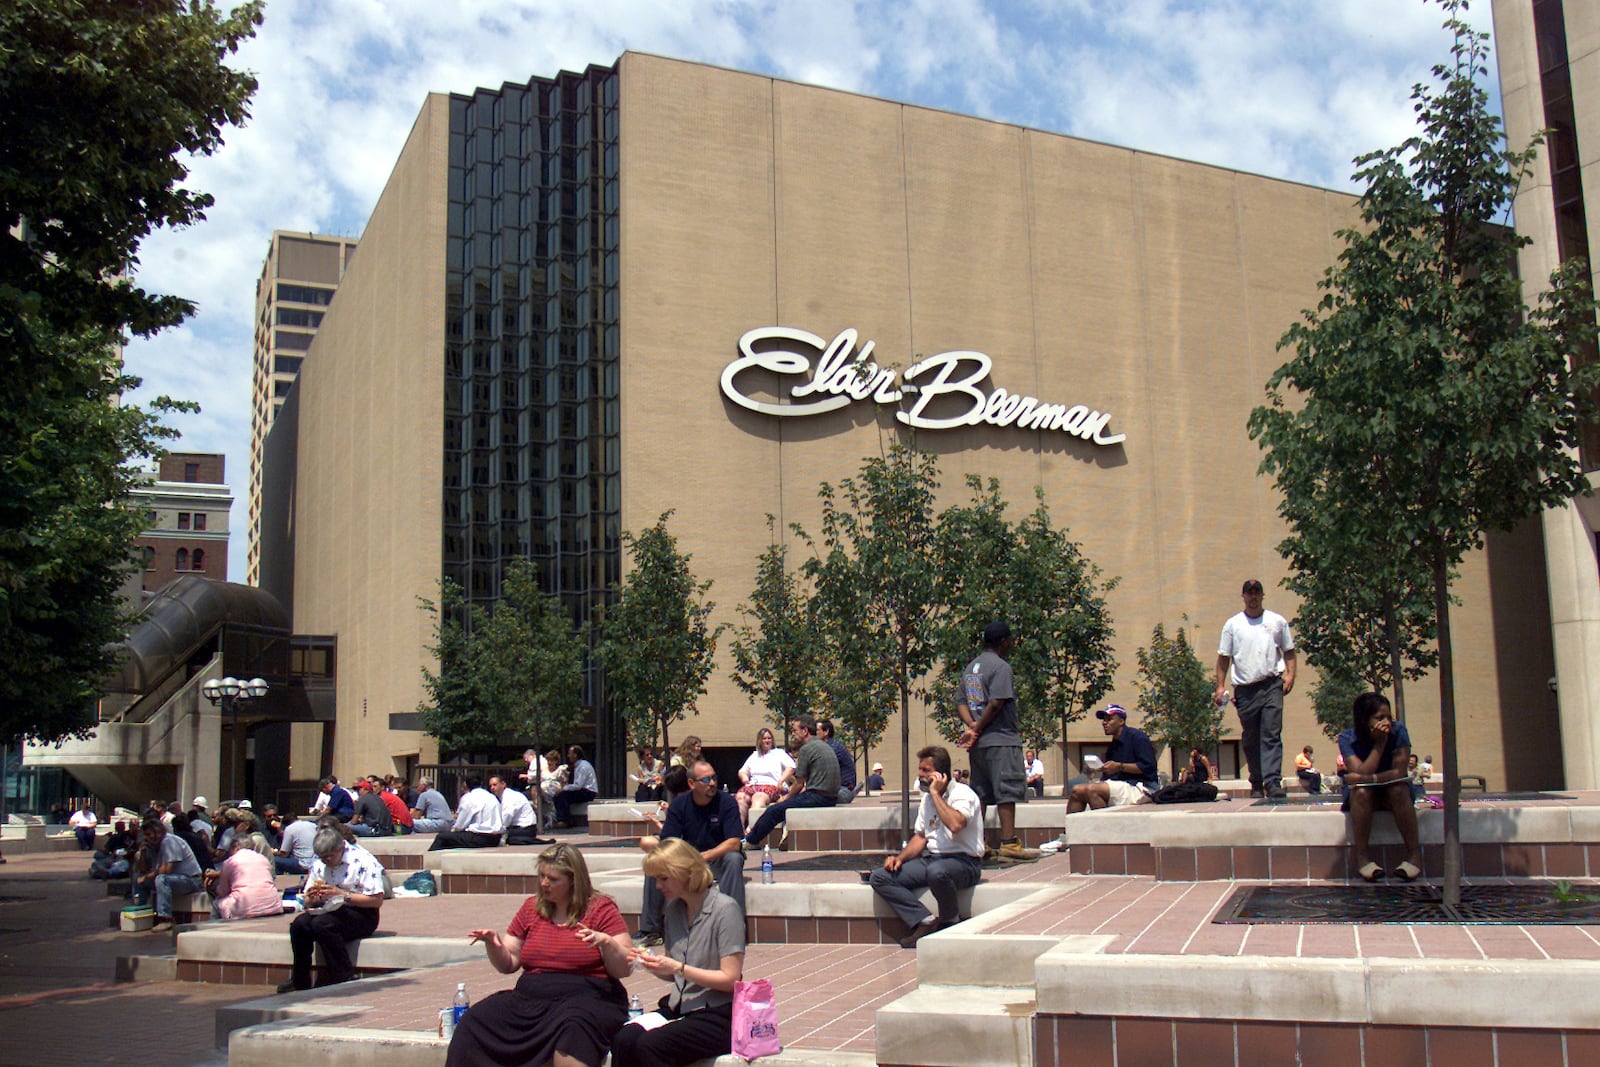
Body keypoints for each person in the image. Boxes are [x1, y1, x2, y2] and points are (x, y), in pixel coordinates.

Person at [445, 844, 633, 1067]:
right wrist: (494, 946)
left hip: (588, 998)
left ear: (573, 880)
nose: (544, 883)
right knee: (476, 1020)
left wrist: (607, 942)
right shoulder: (531, 908)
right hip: (531, 999)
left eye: (553, 879)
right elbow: (509, 963)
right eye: (542, 876)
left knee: (573, 1029)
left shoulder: (601, 908)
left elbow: (624, 968)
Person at [612, 838, 745, 1067]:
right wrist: (651, 963)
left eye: (664, 878)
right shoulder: (673, 910)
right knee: (624, 1038)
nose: (658, 886)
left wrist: (677, 968)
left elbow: (730, 980)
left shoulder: (725, 909)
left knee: (652, 1045)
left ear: (685, 872)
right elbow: (674, 973)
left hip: (718, 1012)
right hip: (680, 1007)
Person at [870, 745, 984, 949]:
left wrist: (936, 794)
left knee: (937, 871)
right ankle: (925, 921)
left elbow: (956, 825)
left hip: (965, 862)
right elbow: (921, 837)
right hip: (933, 860)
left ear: (941, 774)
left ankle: (950, 922)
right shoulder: (927, 799)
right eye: (920, 769)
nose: (920, 774)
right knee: (880, 877)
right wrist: (900, 859)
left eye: (926, 770)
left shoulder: (963, 794)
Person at [636, 759, 745, 949]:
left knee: (734, 859)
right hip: (688, 861)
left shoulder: (726, 802)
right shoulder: (679, 805)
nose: (712, 783)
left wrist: (703, 857)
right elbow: (668, 841)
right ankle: (651, 930)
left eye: (714, 778)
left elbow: (734, 843)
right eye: (705, 780)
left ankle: (733, 927)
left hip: (716, 860)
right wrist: (683, 860)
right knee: (656, 862)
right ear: (691, 784)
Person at [957, 621, 1036, 860]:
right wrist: (979, 727)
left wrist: (972, 727)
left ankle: (977, 843)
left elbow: (961, 702)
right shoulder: (1001, 667)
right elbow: (997, 702)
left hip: (979, 745)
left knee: (980, 793)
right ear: (1003, 641)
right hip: (1001, 739)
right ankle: (1009, 843)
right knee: (1007, 791)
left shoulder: (971, 668)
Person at [1215, 579, 1297, 800]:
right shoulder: (1233, 625)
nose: (1253, 597)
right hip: (1245, 689)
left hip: (1271, 684)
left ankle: (1272, 782)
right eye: (1249, 593)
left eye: (1256, 593)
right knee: (1251, 738)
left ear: (1262, 595)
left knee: (1271, 733)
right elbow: (1224, 658)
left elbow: (1289, 651)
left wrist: (1290, 675)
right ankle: (1257, 781)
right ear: (1243, 596)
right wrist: (1220, 686)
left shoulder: (1276, 621)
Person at [278, 827, 387, 992]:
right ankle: (300, 980)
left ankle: (343, 975)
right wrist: (313, 898)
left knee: (323, 925)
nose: (327, 861)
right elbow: (308, 900)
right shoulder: (319, 865)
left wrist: (343, 895)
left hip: (361, 911)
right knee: (300, 925)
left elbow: (376, 900)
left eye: (330, 856)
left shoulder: (363, 860)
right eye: (323, 858)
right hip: (329, 908)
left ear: (341, 848)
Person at [1337, 692, 1423, 883]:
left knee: (1398, 790)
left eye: (1388, 717)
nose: (1386, 722)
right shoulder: (1346, 738)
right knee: (1361, 792)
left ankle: (1414, 855)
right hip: (1365, 796)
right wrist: (1379, 744)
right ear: (1364, 719)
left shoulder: (1399, 731)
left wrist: (1362, 777)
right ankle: (1362, 858)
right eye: (1379, 718)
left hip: (1391, 791)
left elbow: (1399, 772)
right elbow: (1359, 771)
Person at [744, 715, 838, 849]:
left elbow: (799, 784)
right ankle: (779, 835)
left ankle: (750, 841)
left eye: (794, 730)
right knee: (786, 806)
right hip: (830, 797)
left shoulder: (807, 749)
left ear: (805, 731)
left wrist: (785, 798)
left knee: (774, 810)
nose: (793, 734)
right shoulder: (823, 745)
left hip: (819, 797)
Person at [1066, 705, 1160, 814]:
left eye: (1109, 719)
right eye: (1104, 720)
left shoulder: (1138, 738)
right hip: (1122, 784)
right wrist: (1104, 769)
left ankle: (1103, 829)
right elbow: (1111, 774)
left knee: (1092, 790)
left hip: (1142, 787)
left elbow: (1148, 767)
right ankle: (1071, 830)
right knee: (1077, 790)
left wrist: (1119, 766)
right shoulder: (1113, 745)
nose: (1104, 723)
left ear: (1121, 721)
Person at [134, 818, 203, 931]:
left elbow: (166, 869)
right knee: (138, 878)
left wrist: (146, 877)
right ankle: (140, 912)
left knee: (161, 879)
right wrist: (143, 852)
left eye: (148, 834)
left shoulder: (169, 841)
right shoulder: (153, 846)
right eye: (144, 835)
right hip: (172, 880)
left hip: (190, 880)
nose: (146, 837)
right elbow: (143, 869)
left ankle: (165, 919)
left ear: (158, 832)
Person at [207, 833, 283, 920]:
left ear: (235, 847)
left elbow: (223, 891)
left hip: (245, 908)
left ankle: (212, 930)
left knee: (217, 904)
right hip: (273, 905)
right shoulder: (263, 859)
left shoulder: (230, 862)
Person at [734, 726, 794, 830]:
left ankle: (752, 830)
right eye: (764, 738)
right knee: (740, 797)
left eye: (769, 738)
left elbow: (791, 767)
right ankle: (739, 831)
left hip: (771, 786)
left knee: (758, 797)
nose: (767, 741)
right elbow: (742, 771)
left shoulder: (778, 753)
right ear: (759, 741)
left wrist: (781, 780)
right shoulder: (754, 755)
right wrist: (744, 778)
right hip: (753, 785)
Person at [429, 775, 505, 850]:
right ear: (481, 783)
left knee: (442, 837)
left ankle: (428, 858)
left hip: (480, 838)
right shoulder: (492, 797)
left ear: (467, 785)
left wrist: (453, 831)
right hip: (496, 838)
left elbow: (460, 825)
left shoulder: (468, 798)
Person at [490, 773, 546, 846]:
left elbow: (506, 818)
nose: (492, 788)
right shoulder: (503, 797)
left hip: (525, 829)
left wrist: (495, 831)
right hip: (520, 828)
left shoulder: (509, 797)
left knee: (494, 837)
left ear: (503, 784)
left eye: (495, 785)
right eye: (490, 786)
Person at [555, 745, 599, 828]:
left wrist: (564, 789)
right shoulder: (577, 766)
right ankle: (565, 819)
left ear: (575, 755)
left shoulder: (582, 766)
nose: (568, 756)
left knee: (563, 796)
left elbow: (578, 785)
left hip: (588, 792)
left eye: (569, 754)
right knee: (558, 796)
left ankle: (564, 820)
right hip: (583, 790)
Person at [817, 719, 858, 803]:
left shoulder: (832, 748)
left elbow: (821, 771)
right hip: (837, 790)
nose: (813, 733)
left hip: (843, 791)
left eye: (817, 730)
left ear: (826, 732)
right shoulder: (827, 746)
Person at [538, 750, 568, 831]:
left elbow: (564, 783)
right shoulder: (543, 770)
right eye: (548, 760)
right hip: (543, 792)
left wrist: (561, 790)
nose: (549, 762)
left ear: (556, 761)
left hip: (555, 792)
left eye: (552, 760)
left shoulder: (560, 770)